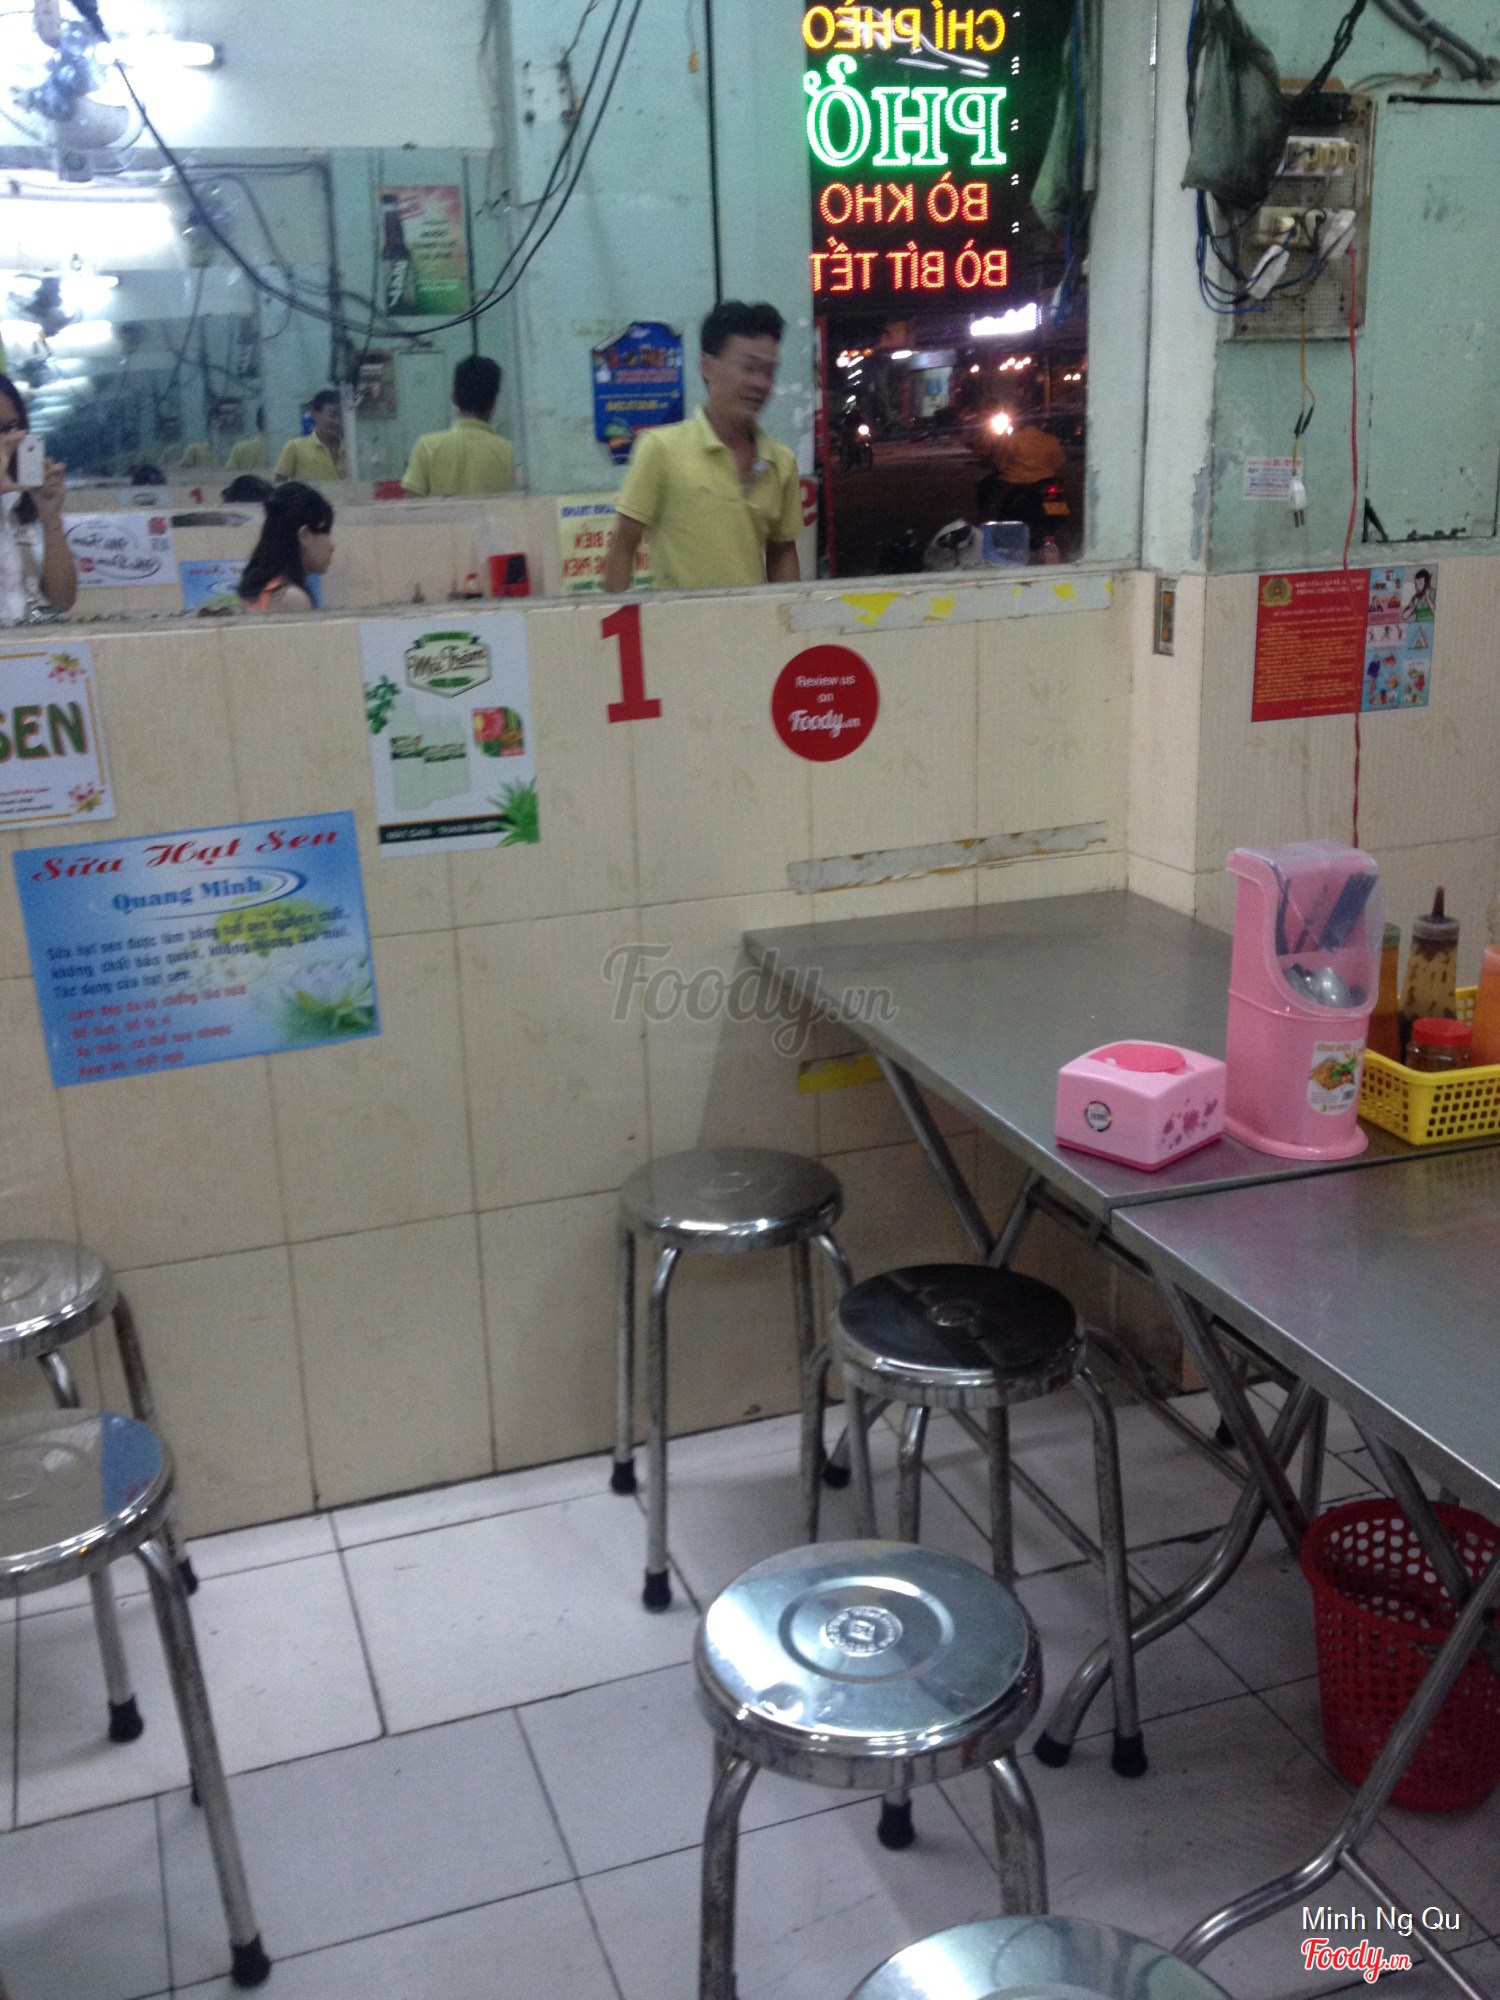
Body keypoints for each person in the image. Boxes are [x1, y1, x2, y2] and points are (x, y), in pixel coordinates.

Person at [602, 301, 801, 593]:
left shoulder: (781, 462)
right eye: (748, 368)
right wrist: (615, 615)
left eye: (769, 372)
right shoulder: (660, 449)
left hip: (754, 619)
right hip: (679, 620)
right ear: (707, 365)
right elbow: (623, 546)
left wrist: (790, 613)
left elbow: (782, 552)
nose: (760, 383)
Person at [0, 373, 76, 622]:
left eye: (11, 428)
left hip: (25, 641)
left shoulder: (18, 501)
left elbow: (62, 601)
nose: (8, 440)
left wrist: (50, 520)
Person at [402, 356, 515, 496]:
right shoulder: (511, 454)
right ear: (494, 401)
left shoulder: (426, 448)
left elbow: (411, 503)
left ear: (453, 395)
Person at [237, 481, 334, 613]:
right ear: (304, 535)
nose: (332, 546)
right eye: (326, 532)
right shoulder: (291, 598)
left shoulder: (261, 586)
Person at [275, 390, 346, 483]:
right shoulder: (294, 447)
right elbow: (278, 485)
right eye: (332, 415)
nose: (337, 421)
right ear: (315, 414)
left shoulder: (352, 450)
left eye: (341, 416)